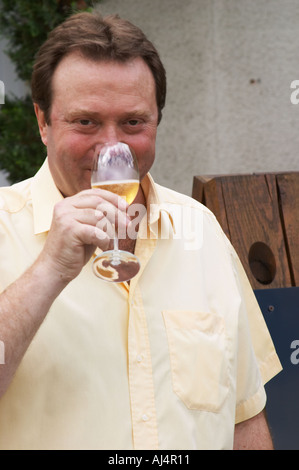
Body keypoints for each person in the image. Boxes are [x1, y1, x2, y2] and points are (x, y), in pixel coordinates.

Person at [0, 11, 281, 450]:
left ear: (156, 122)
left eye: (133, 123)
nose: (113, 147)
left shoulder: (200, 229)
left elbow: (244, 419)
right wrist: (48, 270)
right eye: (86, 122)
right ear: (43, 122)